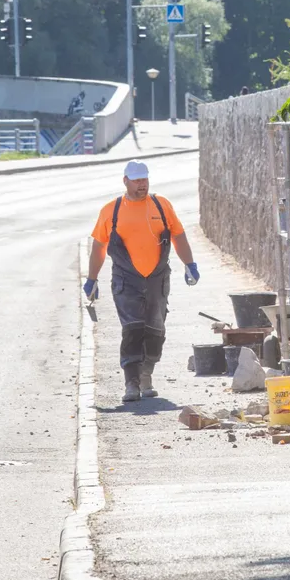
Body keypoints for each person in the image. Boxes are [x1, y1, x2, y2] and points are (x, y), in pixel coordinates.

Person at [83, 160, 200, 403]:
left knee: (156, 331)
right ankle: (131, 383)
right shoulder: (111, 211)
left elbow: (178, 234)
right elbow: (99, 246)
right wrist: (92, 279)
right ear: (125, 181)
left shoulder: (161, 205)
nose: (142, 185)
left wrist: (189, 263)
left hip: (157, 279)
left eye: (144, 180)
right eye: (136, 180)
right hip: (126, 280)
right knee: (133, 329)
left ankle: (147, 374)